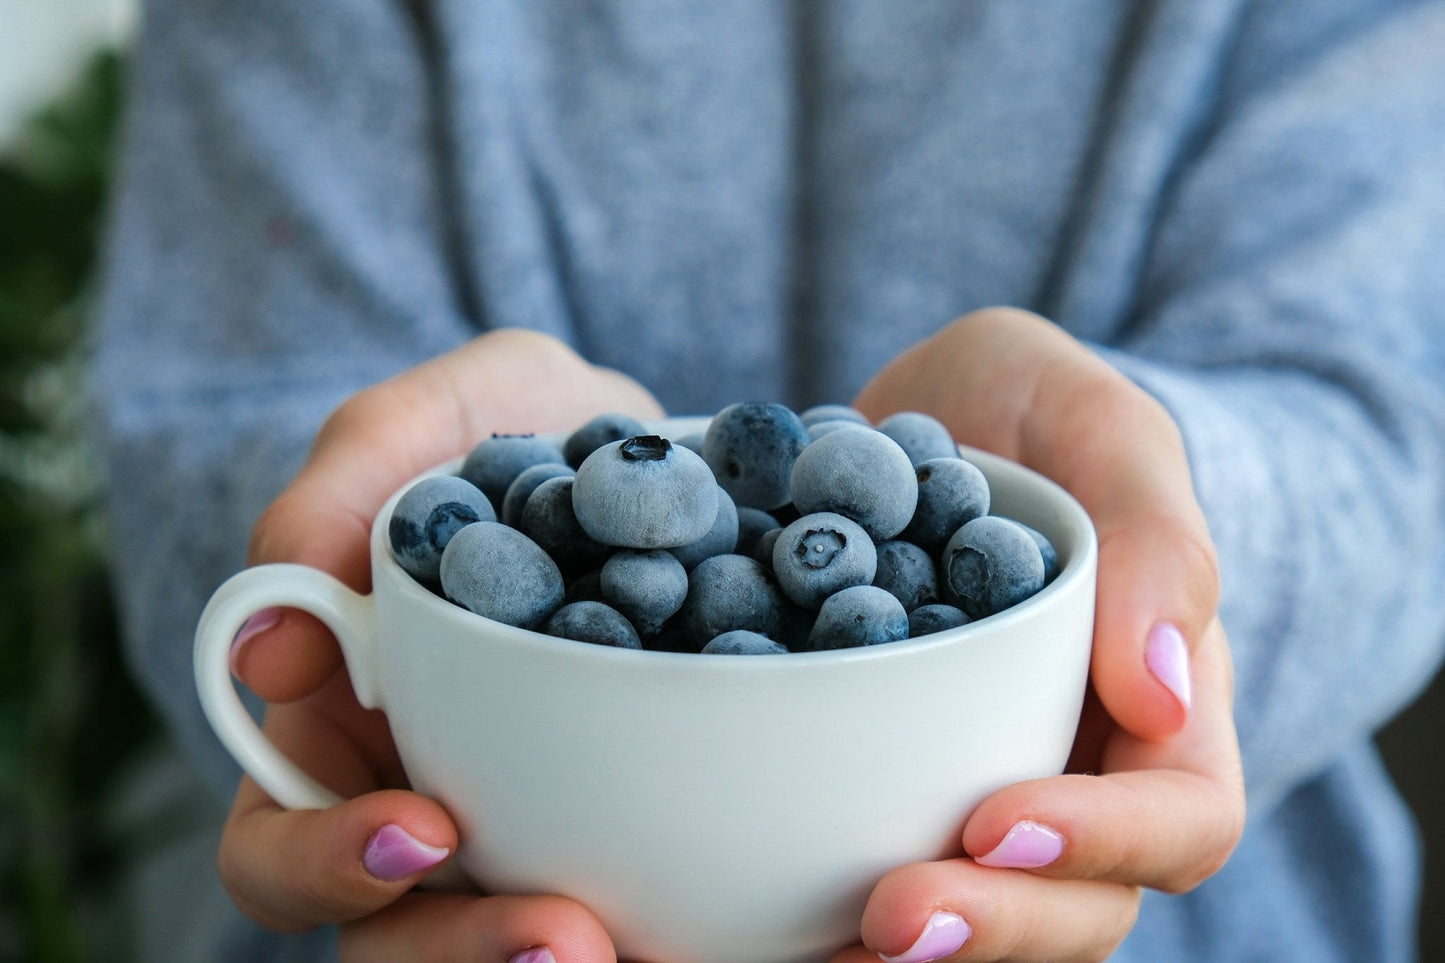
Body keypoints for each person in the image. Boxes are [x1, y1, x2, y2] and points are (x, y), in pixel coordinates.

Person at [90, 1, 1444, 961]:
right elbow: (187, 441)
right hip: (451, 914)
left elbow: (1397, 420)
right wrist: (355, 598)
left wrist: (1170, 535)